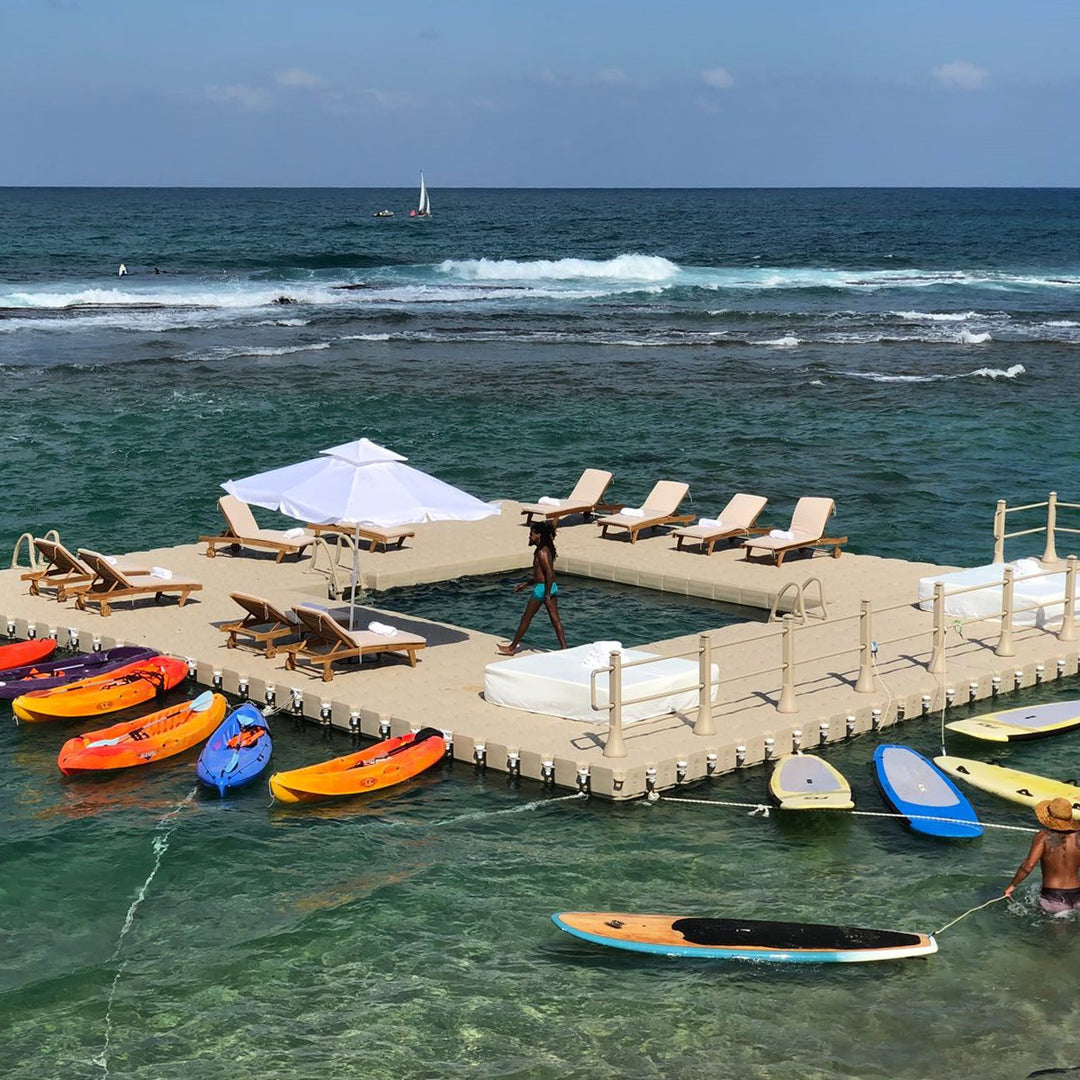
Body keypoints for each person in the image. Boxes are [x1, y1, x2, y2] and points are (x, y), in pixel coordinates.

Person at [497, 520, 567, 655]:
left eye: (532, 534)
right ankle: (564, 649)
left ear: (538, 536)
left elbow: (550, 574)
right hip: (548, 587)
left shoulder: (542, 552)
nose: (529, 537)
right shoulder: (542, 550)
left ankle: (512, 649)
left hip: (543, 589)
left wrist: (546, 595)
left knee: (526, 618)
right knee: (555, 620)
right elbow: (541, 575)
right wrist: (526, 584)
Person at [1005, 797, 1080, 913]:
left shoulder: (1044, 837)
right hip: (1077, 894)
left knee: (1054, 930)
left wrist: (1012, 885)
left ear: (1049, 817)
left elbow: (1028, 865)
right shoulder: (1078, 838)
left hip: (1053, 896)